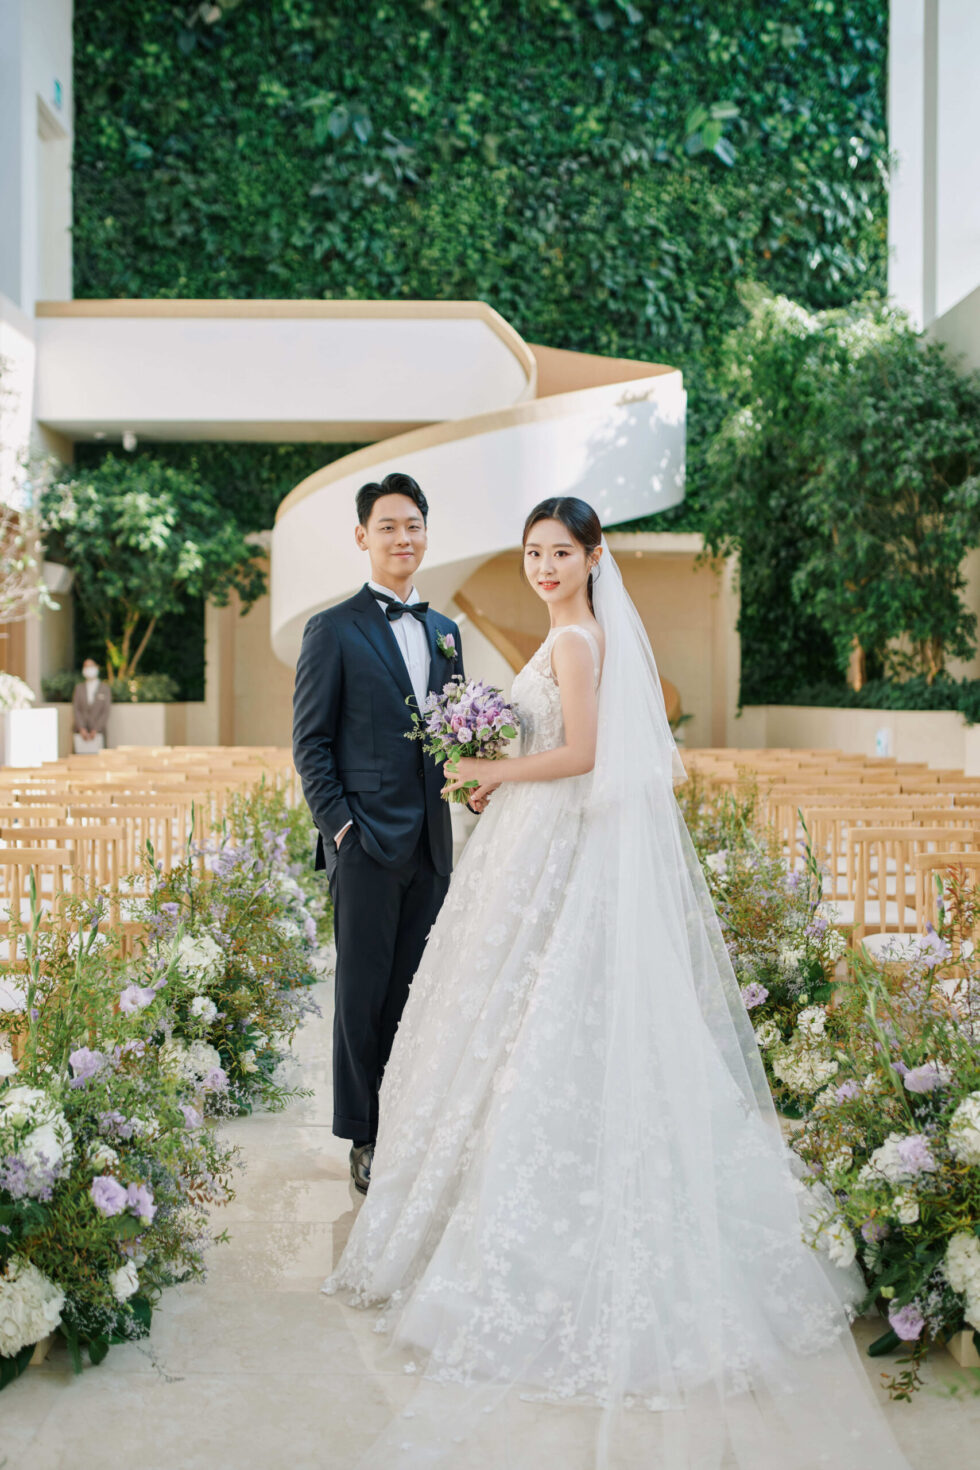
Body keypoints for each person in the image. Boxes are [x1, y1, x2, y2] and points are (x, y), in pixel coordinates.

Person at [322, 496, 911, 1470]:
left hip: (554, 843)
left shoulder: (582, 643)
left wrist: (494, 772)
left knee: (551, 1020)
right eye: (531, 553)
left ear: (594, 556)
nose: (543, 567)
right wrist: (487, 768)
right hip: (528, 841)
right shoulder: (557, 633)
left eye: (559, 552)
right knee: (498, 1016)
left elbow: (585, 755)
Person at [292, 471, 465, 1196]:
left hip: (431, 844)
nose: (403, 537)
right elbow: (311, 744)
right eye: (388, 526)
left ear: (427, 534)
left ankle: (406, 1122)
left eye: (414, 525)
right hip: (364, 846)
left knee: (415, 994)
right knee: (361, 998)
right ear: (363, 536)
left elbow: (457, 735)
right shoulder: (332, 629)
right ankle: (364, 1136)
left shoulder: (446, 632)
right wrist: (340, 830)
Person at [72, 659, 111, 754]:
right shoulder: (79, 688)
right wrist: (81, 728)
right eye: (86, 667)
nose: (89, 669)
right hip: (80, 733)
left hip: (99, 733)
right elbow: (76, 709)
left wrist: (96, 729)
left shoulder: (104, 688)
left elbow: (105, 711)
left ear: (97, 668)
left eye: (91, 666)